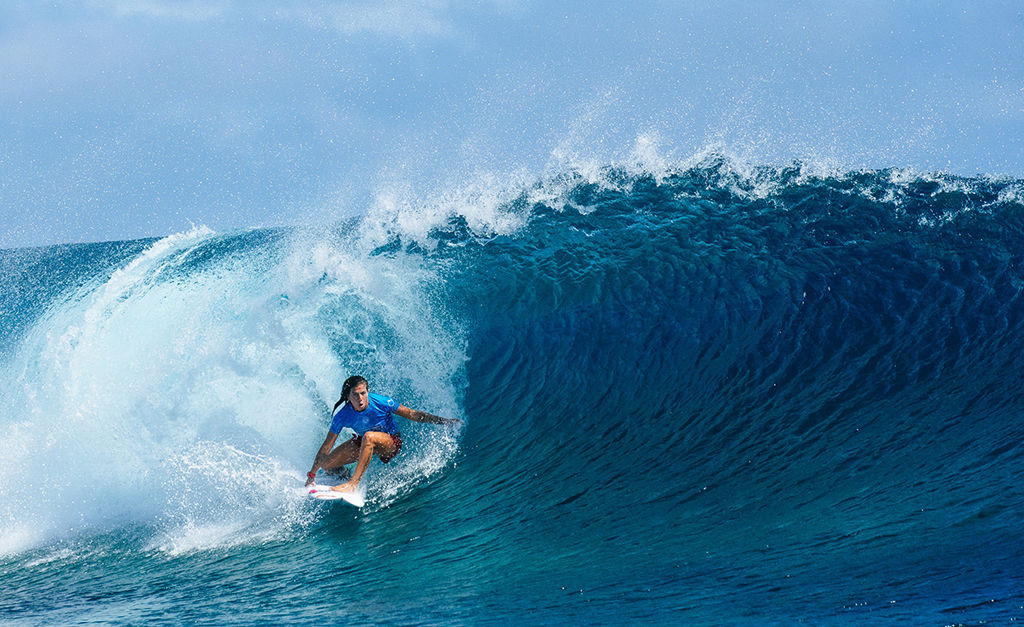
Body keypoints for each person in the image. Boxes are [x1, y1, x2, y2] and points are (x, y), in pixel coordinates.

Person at [305, 375, 461, 493]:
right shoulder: (342, 416)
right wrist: (311, 476)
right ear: (348, 396)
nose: (360, 398)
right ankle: (344, 475)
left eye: (363, 393)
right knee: (326, 465)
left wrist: (444, 421)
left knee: (369, 437)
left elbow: (412, 414)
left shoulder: (381, 402)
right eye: (355, 394)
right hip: (364, 442)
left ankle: (353, 484)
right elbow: (327, 445)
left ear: (367, 391)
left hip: (390, 442)